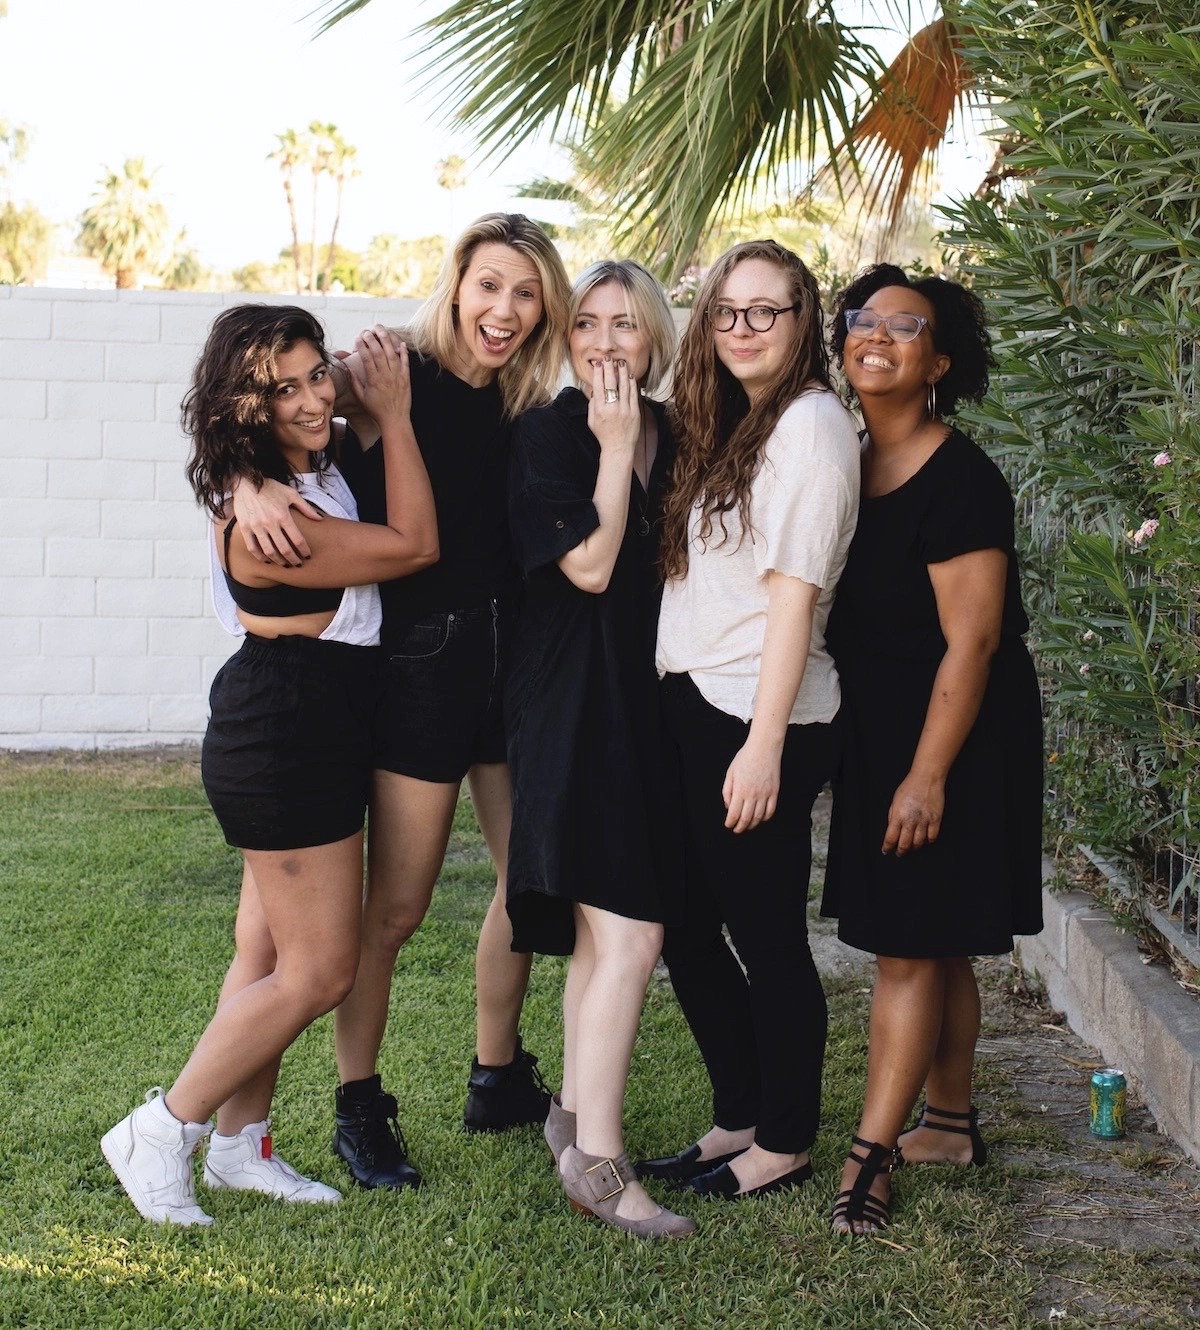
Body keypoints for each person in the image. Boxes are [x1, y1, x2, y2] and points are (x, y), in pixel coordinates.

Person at [230, 215, 572, 1189]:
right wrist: (247, 484)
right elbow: (263, 409)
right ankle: (359, 1108)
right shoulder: (389, 368)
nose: (504, 310)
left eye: (525, 292)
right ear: (457, 282)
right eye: (490, 285)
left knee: (533, 887)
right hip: (419, 668)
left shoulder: (528, 403)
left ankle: (497, 1074)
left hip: (515, 664)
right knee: (396, 910)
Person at [101, 305, 438, 1224]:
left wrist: (271, 458)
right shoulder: (270, 517)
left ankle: (243, 1149)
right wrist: (397, 419)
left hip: (316, 721)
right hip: (287, 731)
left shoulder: (290, 480)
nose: (310, 399)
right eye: (280, 388)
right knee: (321, 970)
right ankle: (163, 1126)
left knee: (264, 948)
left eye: (315, 375)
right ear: (242, 404)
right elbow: (414, 546)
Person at [820, 264, 1043, 1235]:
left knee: (907, 948)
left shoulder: (961, 478)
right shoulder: (851, 460)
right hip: (884, 731)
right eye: (862, 320)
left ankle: (870, 1159)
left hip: (952, 732)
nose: (876, 336)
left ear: (940, 361)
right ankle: (947, 1123)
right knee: (935, 935)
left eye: (904, 327)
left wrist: (926, 774)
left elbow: (976, 639)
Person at [641, 240, 861, 1200]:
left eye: (764, 311)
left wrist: (764, 744)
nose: (741, 329)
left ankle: (785, 1138)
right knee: (685, 926)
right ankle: (738, 1112)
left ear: (802, 319)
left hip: (757, 714)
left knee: (764, 935)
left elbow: (796, 598)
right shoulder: (737, 422)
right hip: (697, 698)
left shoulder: (812, 426)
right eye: (726, 311)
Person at [505, 260, 693, 1238]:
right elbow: (588, 566)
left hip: (647, 705)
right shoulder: (549, 433)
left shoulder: (682, 435)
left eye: (626, 325)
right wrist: (614, 448)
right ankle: (604, 1169)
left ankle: (574, 1121)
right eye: (589, 325)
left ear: (654, 337)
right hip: (570, 703)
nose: (607, 343)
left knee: (600, 934)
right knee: (631, 935)